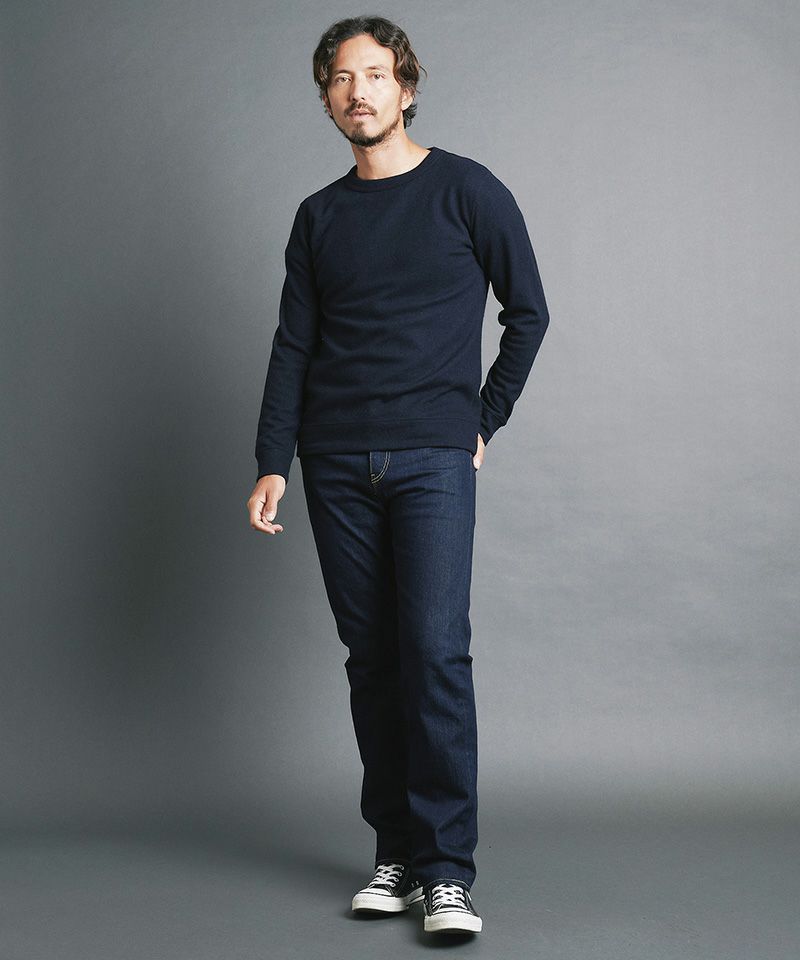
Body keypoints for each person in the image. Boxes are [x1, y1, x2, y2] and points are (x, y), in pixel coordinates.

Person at [247, 14, 550, 936]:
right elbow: (294, 344)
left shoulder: (467, 190)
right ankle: (397, 856)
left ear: (406, 88)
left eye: (375, 75)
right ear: (327, 98)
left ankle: (447, 870)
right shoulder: (319, 216)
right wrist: (272, 462)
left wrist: (481, 419)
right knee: (373, 661)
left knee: (434, 652)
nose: (359, 92)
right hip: (335, 459)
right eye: (341, 79)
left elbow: (529, 313)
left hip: (432, 457)